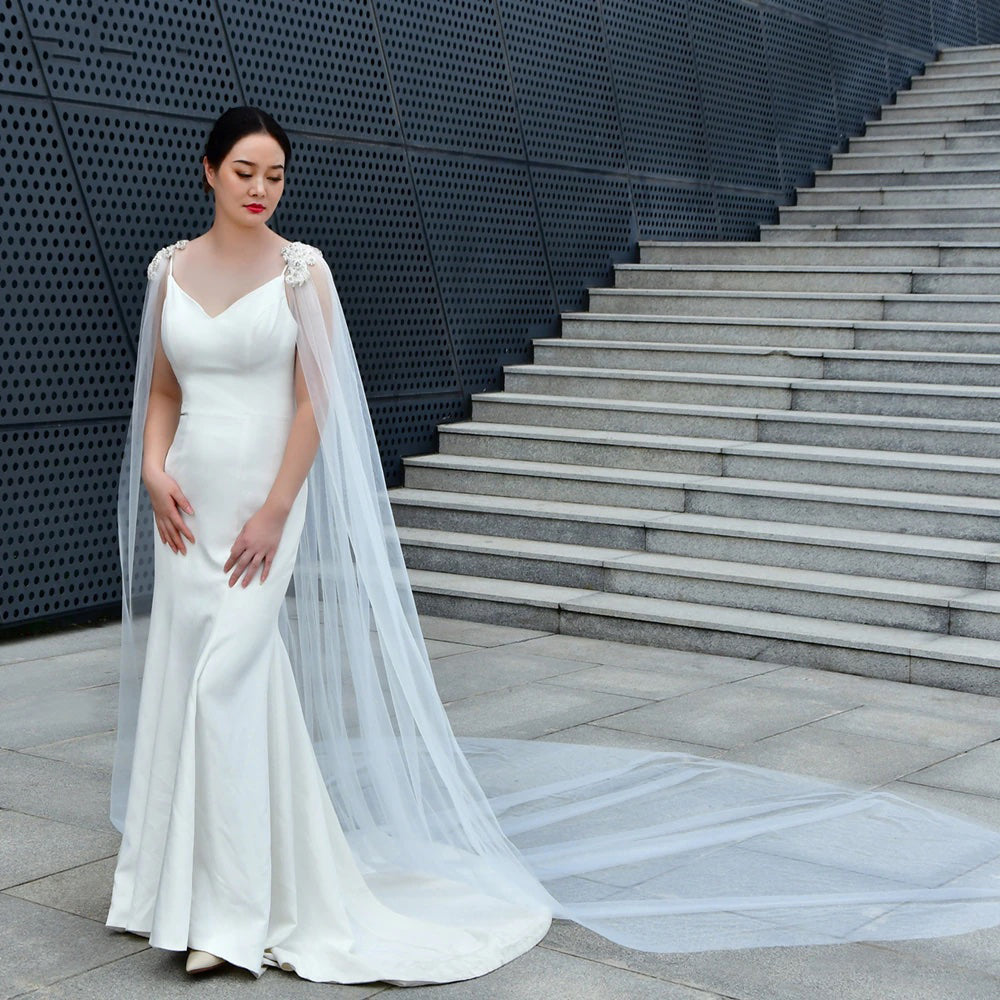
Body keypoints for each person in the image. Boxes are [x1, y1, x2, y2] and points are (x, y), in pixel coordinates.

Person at [107, 106, 1000, 985]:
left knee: (227, 676)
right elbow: (165, 392)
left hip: (267, 500)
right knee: (199, 674)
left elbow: (317, 402)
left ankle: (227, 919)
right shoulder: (170, 270)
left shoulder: (304, 271)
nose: (262, 189)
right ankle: (180, 888)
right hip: (189, 496)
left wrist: (275, 509)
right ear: (209, 172)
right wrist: (153, 470)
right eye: (244, 173)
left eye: (275, 174)